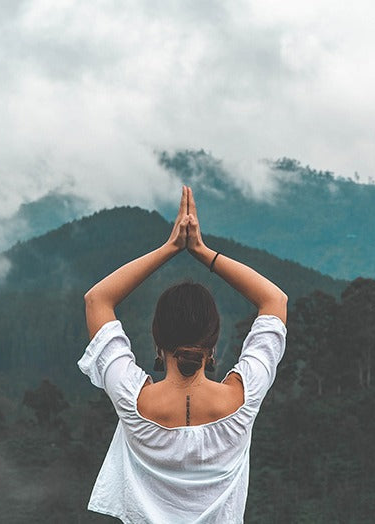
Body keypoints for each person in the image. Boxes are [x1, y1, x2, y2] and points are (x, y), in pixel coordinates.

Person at [78, 186, 288, 523]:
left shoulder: (133, 402)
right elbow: (275, 301)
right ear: (214, 344)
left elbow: (97, 300)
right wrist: (203, 251)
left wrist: (170, 248)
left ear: (157, 342)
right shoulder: (242, 399)